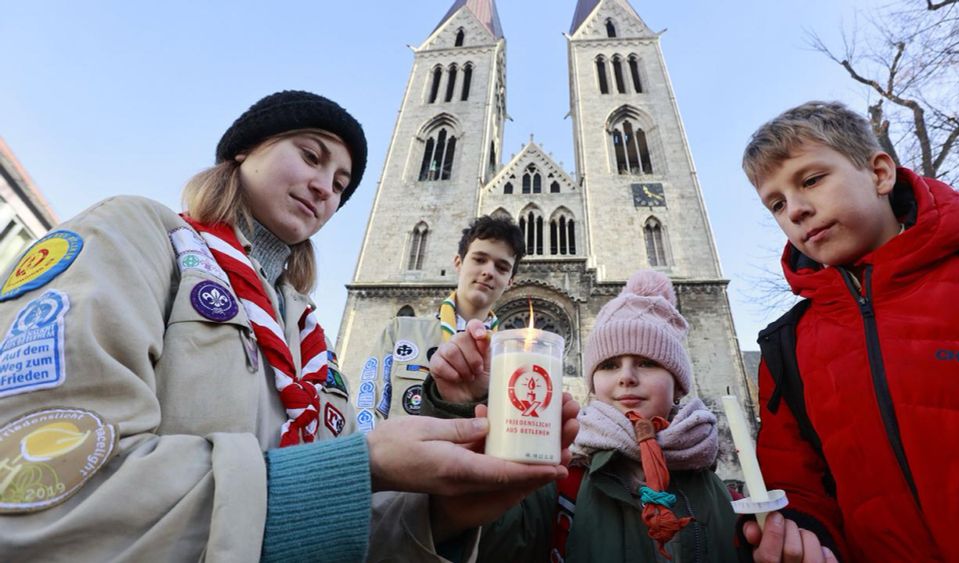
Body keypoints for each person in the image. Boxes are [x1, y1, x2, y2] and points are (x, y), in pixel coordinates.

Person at [0, 90, 578, 562]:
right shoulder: (135, 237)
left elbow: (346, 533)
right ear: (245, 149)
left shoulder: (308, 335)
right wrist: (361, 467)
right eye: (310, 155)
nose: (327, 187)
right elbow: (34, 493)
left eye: (343, 183)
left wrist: (446, 512)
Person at [742, 100, 959, 562]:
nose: (796, 210)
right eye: (776, 204)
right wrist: (803, 536)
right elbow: (798, 484)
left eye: (812, 180)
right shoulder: (787, 347)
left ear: (881, 173)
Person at [425, 269, 739, 562]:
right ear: (592, 384)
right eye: (609, 365)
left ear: (679, 383)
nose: (626, 377)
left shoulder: (724, 494)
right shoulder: (560, 477)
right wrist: (468, 412)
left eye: (647, 362)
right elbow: (495, 542)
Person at [354, 215, 524, 428]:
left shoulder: (513, 357)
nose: (488, 272)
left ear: (510, 281)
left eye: (501, 267)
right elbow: (367, 411)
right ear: (458, 263)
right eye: (479, 259)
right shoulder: (401, 331)